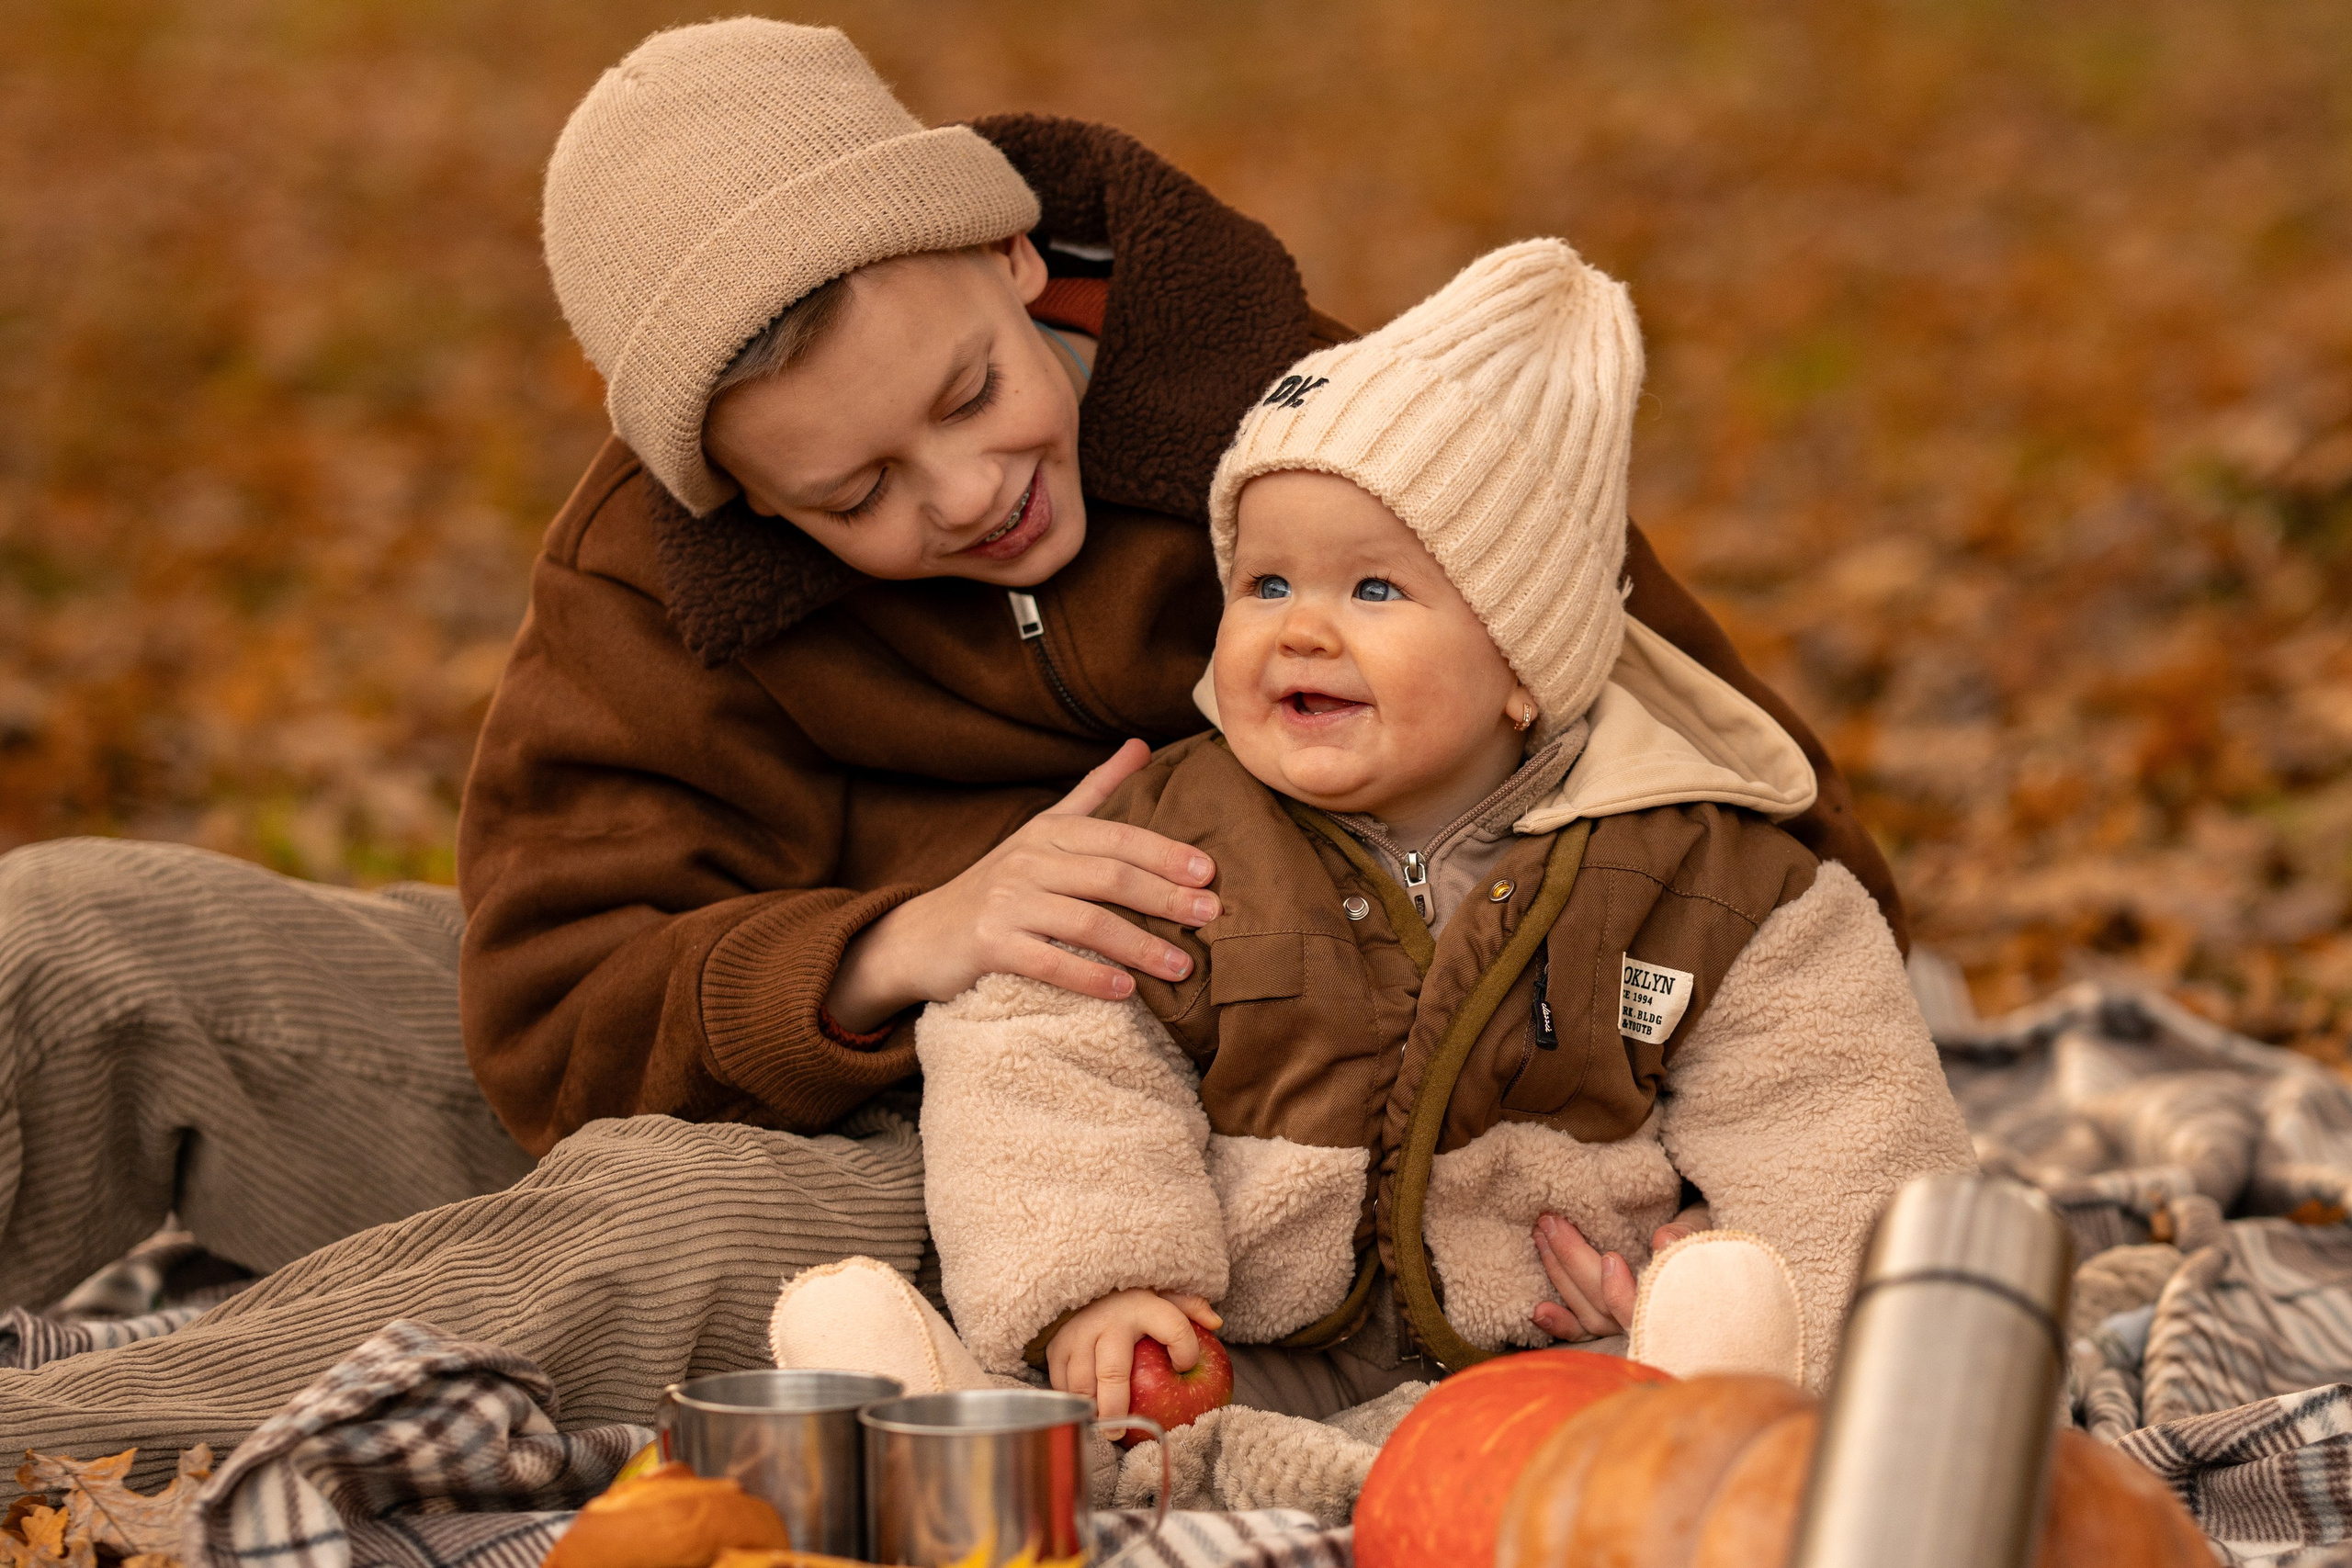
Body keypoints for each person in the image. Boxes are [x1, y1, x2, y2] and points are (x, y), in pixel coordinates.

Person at [0, 20, 1901, 1480]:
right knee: (73, 942)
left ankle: (48, 1470)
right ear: (733, 494)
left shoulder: (1332, 435)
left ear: (1006, 248)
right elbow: (551, 1005)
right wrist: (903, 939)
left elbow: (1743, 822)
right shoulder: (654, 579)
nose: (968, 491)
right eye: (853, 493)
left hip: (1119, 1159)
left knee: (645, 1232)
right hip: (790, 1025)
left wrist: (1696, 1223)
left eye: (972, 399)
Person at [915, 241, 1974, 1423]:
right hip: (1251, 1345)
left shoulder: (1708, 878)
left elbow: (1836, 1124)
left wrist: (1730, 1274)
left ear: (1525, 663)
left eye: (1373, 591)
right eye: (1265, 585)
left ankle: (1730, 1392)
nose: (1301, 630)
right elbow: (1043, 1047)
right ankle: (964, 1409)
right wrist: (1100, 1283)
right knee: (1121, 1423)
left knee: (1679, 1385)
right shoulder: (1174, 832)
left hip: (1560, 1349)